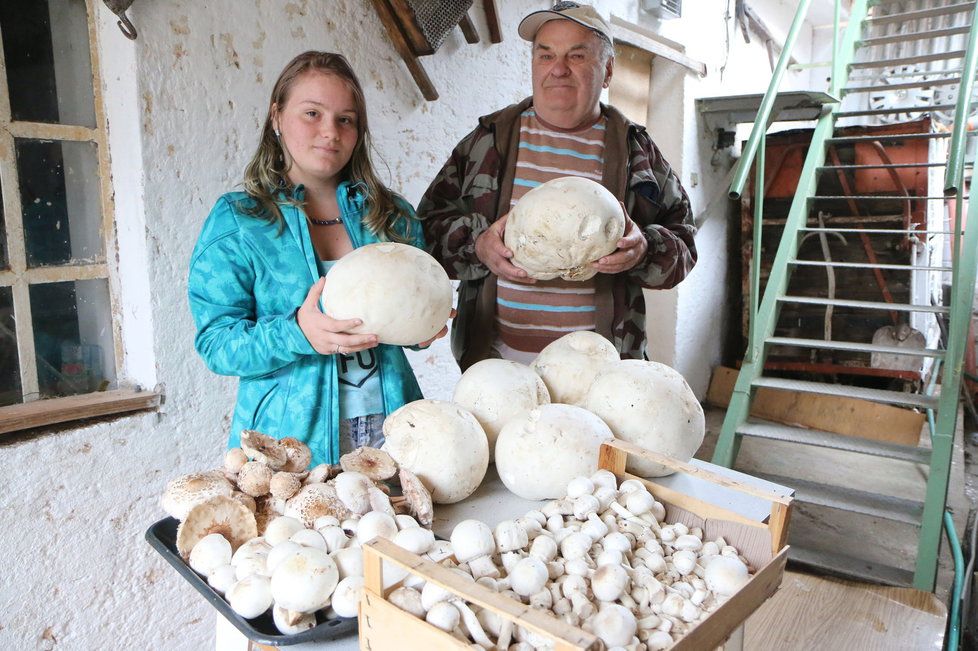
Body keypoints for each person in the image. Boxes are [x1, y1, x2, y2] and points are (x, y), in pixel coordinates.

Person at [188, 51, 445, 466]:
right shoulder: (239, 221)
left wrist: (422, 326)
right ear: (277, 117)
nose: (330, 131)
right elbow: (217, 344)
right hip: (290, 445)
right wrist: (297, 333)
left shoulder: (391, 216)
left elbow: (407, 329)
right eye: (312, 113)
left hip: (394, 429)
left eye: (345, 119)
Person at [417, 2, 696, 370]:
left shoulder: (636, 151)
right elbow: (423, 232)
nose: (558, 69)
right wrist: (478, 246)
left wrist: (643, 250)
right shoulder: (488, 141)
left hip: (601, 369)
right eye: (545, 55)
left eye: (577, 56)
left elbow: (685, 247)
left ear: (607, 70)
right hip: (497, 362)